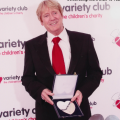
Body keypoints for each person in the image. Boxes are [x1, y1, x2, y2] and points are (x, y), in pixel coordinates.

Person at [21, 0, 102, 120]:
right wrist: (40, 91)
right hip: (47, 113)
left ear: (61, 14)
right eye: (46, 15)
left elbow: (95, 73)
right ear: (41, 21)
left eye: (54, 13)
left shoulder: (84, 40)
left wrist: (83, 92)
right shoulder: (32, 46)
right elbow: (27, 78)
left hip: (79, 110)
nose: (52, 18)